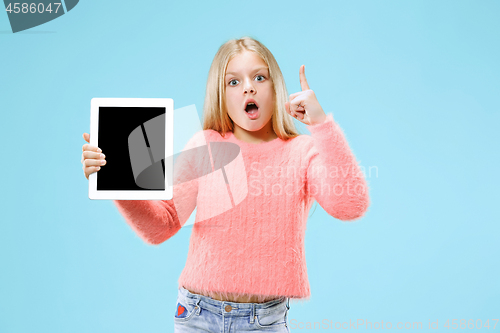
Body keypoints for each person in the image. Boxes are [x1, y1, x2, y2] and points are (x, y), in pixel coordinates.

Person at [81, 37, 370, 332]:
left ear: (276, 88)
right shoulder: (205, 145)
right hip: (197, 315)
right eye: (234, 82)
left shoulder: (301, 151)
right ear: (221, 94)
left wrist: (321, 123)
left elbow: (350, 205)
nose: (248, 87)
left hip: (265, 322)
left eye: (259, 77)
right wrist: (115, 179)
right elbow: (162, 226)